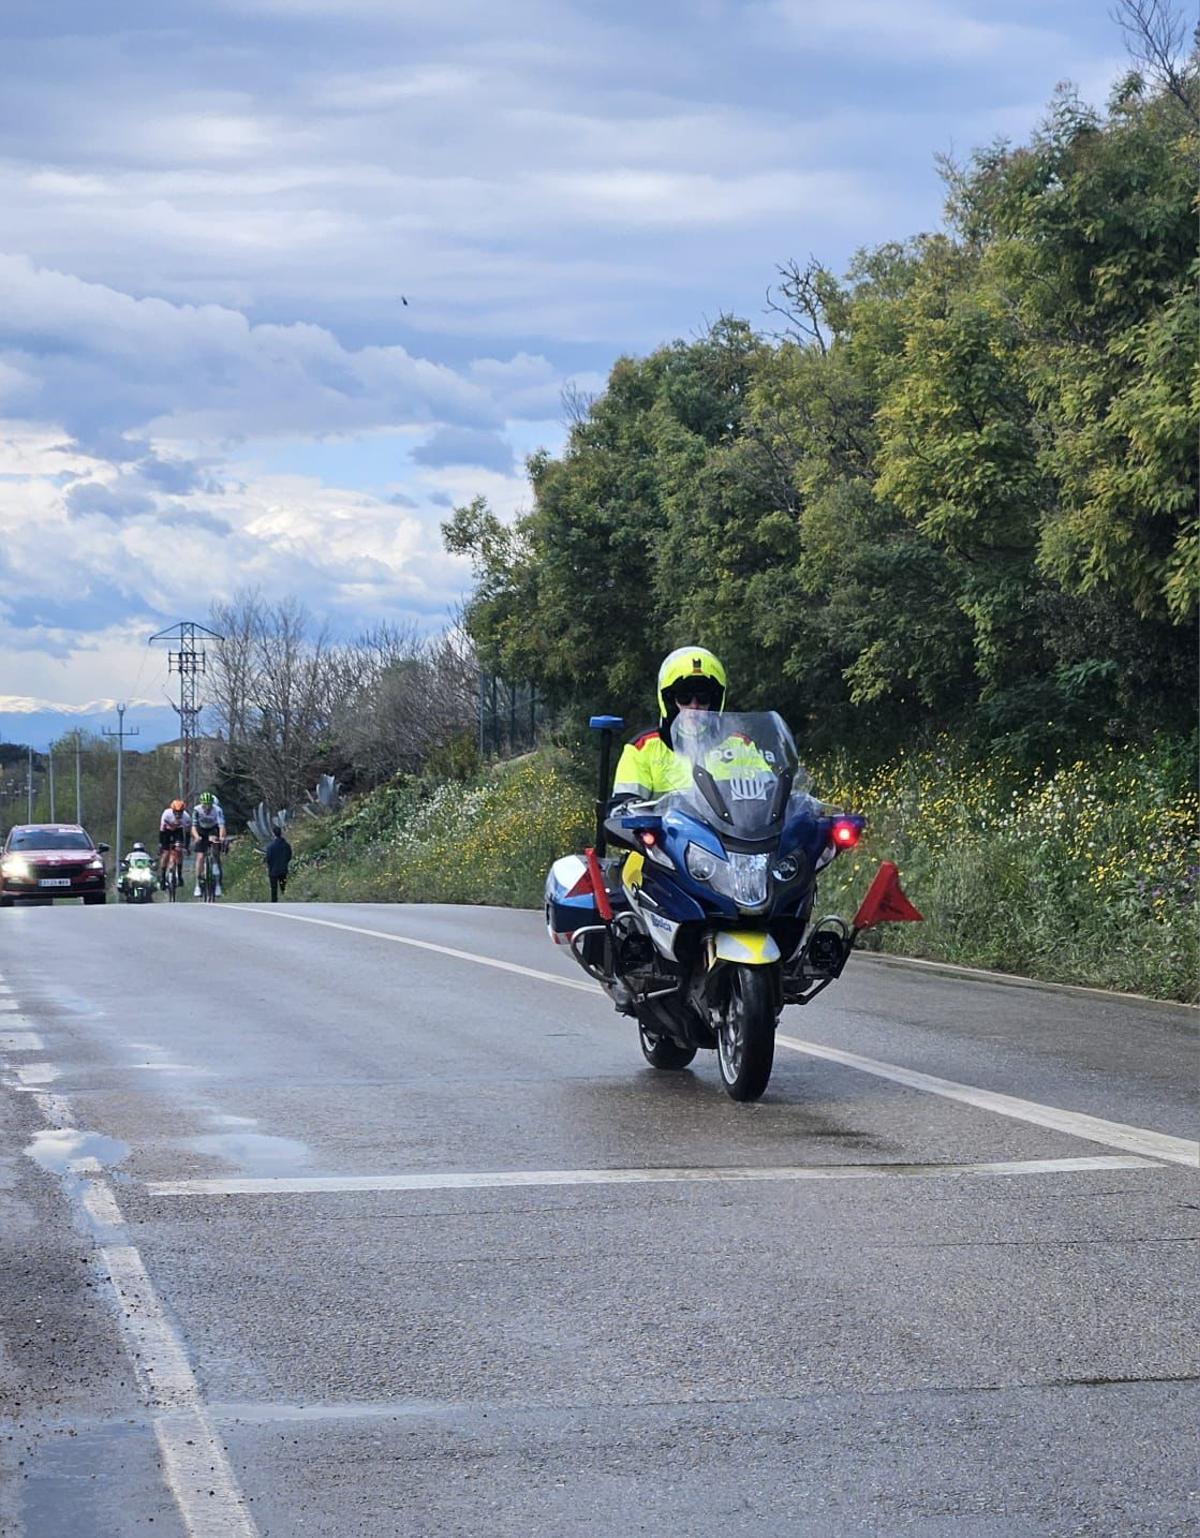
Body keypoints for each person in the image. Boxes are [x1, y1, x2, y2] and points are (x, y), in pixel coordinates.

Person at [611, 645, 730, 803]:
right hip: (668, 828)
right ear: (670, 701)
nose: (694, 706)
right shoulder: (641, 749)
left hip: (727, 829)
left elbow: (769, 802)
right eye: (684, 698)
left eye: (703, 698)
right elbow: (623, 810)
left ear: (714, 701)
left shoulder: (741, 746)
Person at [191, 790, 227, 897]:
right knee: (200, 856)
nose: (207, 808)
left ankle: (217, 885)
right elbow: (193, 826)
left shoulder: (217, 810)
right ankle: (197, 884)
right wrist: (196, 837)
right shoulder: (196, 810)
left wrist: (221, 837)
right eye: (204, 805)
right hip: (201, 830)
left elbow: (221, 826)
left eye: (209, 805)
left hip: (213, 829)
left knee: (215, 848)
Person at [158, 799, 191, 889]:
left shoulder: (186, 817)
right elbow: (162, 831)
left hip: (178, 832)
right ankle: (163, 878)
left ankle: (179, 876)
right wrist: (160, 844)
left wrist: (187, 847)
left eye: (180, 812)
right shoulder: (166, 814)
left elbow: (187, 834)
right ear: (172, 810)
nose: (178, 815)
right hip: (166, 832)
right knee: (165, 853)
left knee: (179, 850)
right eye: (175, 812)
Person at [263, 824, 292, 902]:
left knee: (274, 888)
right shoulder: (286, 845)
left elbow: (268, 858)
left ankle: (274, 902)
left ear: (273, 834)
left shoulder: (270, 846)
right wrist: (285, 862)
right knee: (283, 886)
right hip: (283, 869)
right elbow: (289, 856)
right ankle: (285, 899)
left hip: (273, 870)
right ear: (281, 833)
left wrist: (267, 864)